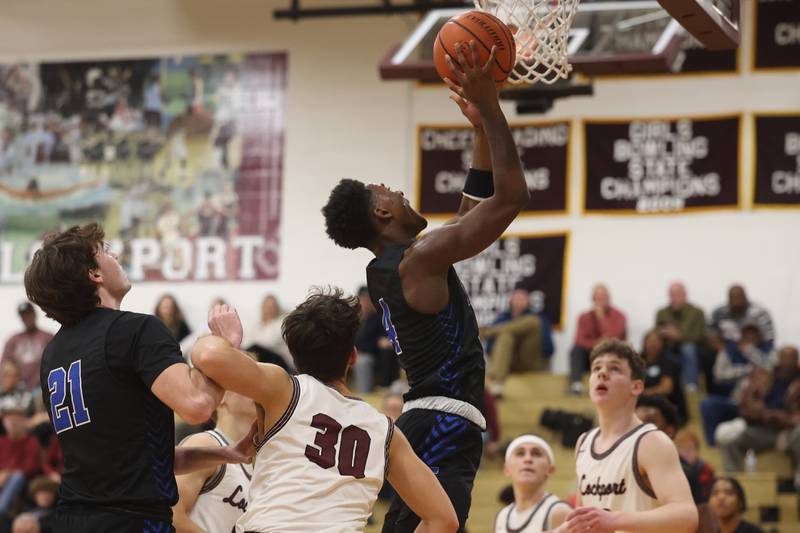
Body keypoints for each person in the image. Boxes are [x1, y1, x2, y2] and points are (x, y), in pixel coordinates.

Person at [322, 42, 529, 532]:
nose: (397, 191)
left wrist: (479, 127)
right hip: (442, 421)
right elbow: (512, 196)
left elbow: (469, 215)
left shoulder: (396, 265)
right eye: (387, 190)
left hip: (432, 419)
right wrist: (494, 109)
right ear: (382, 212)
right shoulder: (417, 261)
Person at [23, 223, 254, 532]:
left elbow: (132, 459)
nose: (114, 253)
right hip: (132, 520)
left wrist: (226, 453)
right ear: (95, 274)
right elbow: (197, 406)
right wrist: (226, 348)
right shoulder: (136, 330)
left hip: (71, 520)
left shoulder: (53, 354)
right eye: (104, 251)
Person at [191, 289, 459, 532]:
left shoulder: (285, 390)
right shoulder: (385, 431)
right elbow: (444, 519)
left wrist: (229, 341)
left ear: (294, 356)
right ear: (353, 356)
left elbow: (207, 356)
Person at [559, 339, 697, 533]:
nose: (602, 373)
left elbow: (686, 515)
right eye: (596, 368)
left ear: (636, 387)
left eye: (615, 369)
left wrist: (615, 520)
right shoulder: (584, 442)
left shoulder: (651, 442)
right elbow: (584, 522)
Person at [173, 386, 257, 533]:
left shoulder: (257, 468)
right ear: (221, 397)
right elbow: (172, 517)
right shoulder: (206, 443)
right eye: (245, 382)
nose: (257, 390)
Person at [720, 346, 800, 488]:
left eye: (792, 358)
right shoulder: (763, 377)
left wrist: (783, 418)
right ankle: (732, 485)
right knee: (730, 441)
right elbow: (745, 406)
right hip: (763, 429)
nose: (788, 362)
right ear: (779, 359)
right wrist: (765, 414)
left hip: (790, 431)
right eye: (785, 357)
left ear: (797, 360)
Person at [482, 286, 554, 398]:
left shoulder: (539, 318)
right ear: (511, 300)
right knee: (506, 336)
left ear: (528, 301)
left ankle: (490, 331)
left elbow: (548, 348)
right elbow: (490, 349)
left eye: (523, 298)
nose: (520, 301)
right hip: (507, 363)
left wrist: (489, 332)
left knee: (533, 322)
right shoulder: (501, 318)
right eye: (517, 298)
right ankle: (498, 383)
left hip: (529, 360)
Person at [493, 435, 571, 533]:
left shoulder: (559, 512)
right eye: (520, 453)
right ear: (506, 469)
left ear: (550, 470)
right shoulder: (501, 517)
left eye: (536, 454)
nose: (528, 459)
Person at [568, 285, 627, 395]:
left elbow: (614, 339)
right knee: (576, 350)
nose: (600, 301)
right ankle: (576, 384)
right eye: (597, 298)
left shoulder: (619, 316)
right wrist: (596, 343)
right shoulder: (584, 317)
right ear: (593, 299)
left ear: (609, 298)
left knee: (614, 352)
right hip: (590, 356)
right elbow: (579, 340)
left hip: (611, 355)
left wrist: (601, 318)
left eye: (603, 297)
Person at [654, 282, 705, 391]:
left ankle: (691, 385)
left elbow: (699, 337)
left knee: (688, 348)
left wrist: (678, 336)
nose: (675, 298)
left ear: (685, 295)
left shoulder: (697, 312)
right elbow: (657, 332)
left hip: (691, 351)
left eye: (678, 294)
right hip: (668, 348)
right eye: (672, 295)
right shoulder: (662, 312)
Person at [1, 302, 53, 389]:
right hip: (18, 388)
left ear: (34, 314)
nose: (27, 318)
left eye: (29, 314)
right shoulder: (13, 340)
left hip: (43, 386)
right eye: (24, 316)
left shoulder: (47, 337)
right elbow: (4, 365)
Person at [641, 330, 687, 425]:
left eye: (655, 341)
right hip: (644, 403)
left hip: (668, 405)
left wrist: (643, 393)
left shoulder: (668, 361)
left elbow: (666, 388)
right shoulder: (639, 362)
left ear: (662, 344)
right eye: (649, 341)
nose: (652, 344)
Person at [243, 294, 292, 370]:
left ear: (277, 308)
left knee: (255, 348)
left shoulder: (280, 323)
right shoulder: (256, 325)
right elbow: (245, 343)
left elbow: (270, 342)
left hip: (278, 362)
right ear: (262, 307)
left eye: (272, 306)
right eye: (267, 306)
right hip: (259, 361)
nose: (269, 309)